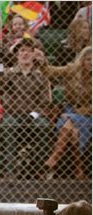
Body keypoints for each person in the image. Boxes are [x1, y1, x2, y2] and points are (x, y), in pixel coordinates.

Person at [0, 34, 52, 179]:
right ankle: (10, 170)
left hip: (33, 115)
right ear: (17, 54)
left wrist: (34, 115)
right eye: (22, 51)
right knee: (9, 125)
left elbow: (45, 101)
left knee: (43, 126)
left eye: (28, 51)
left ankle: (38, 169)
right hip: (12, 114)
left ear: (33, 54)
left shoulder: (40, 75)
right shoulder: (9, 73)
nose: (25, 54)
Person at [38, 46, 92, 180]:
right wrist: (42, 62)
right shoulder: (72, 70)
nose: (91, 63)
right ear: (82, 61)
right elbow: (51, 72)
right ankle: (78, 168)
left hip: (88, 113)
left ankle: (53, 158)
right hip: (70, 110)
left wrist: (77, 113)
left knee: (68, 122)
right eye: (88, 60)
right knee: (73, 131)